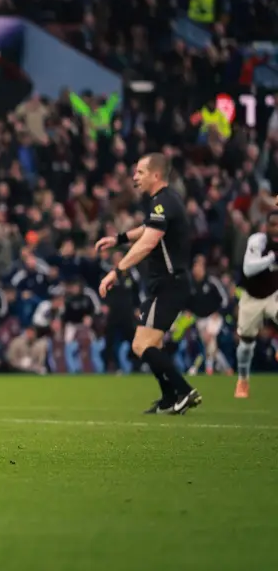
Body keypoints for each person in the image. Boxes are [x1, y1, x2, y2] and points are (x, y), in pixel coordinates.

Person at [97, 153, 201, 414]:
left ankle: (184, 391)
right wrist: (119, 238)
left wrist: (116, 271)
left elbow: (148, 242)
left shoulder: (164, 201)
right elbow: (146, 229)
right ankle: (168, 398)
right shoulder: (161, 202)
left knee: (141, 345)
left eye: (140, 173)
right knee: (152, 344)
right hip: (166, 284)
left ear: (156, 175)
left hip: (169, 284)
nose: (135, 177)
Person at [233, 211, 278, 398]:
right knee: (246, 343)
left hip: (273, 294)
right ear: (266, 227)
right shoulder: (257, 241)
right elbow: (248, 268)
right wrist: (271, 259)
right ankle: (243, 380)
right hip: (252, 296)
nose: (276, 229)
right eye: (273, 224)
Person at [187, 254, 233, 376]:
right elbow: (189, 302)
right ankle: (227, 369)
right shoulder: (191, 284)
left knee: (209, 339)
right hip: (200, 319)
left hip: (214, 317)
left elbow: (224, 299)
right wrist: (189, 311)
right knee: (211, 347)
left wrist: (219, 312)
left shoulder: (212, 282)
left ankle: (209, 369)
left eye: (199, 267)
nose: (197, 270)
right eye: (195, 267)